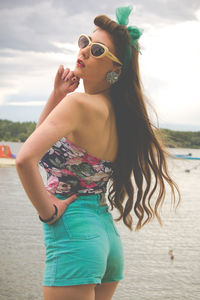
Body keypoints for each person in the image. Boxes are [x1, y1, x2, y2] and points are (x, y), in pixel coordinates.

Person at [16, 4, 181, 300]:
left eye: (97, 51)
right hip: (105, 239)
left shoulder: (78, 105)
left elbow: (26, 157)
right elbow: (41, 147)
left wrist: (49, 211)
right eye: (85, 42)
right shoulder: (122, 116)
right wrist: (57, 95)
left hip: (74, 235)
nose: (84, 51)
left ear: (116, 69)